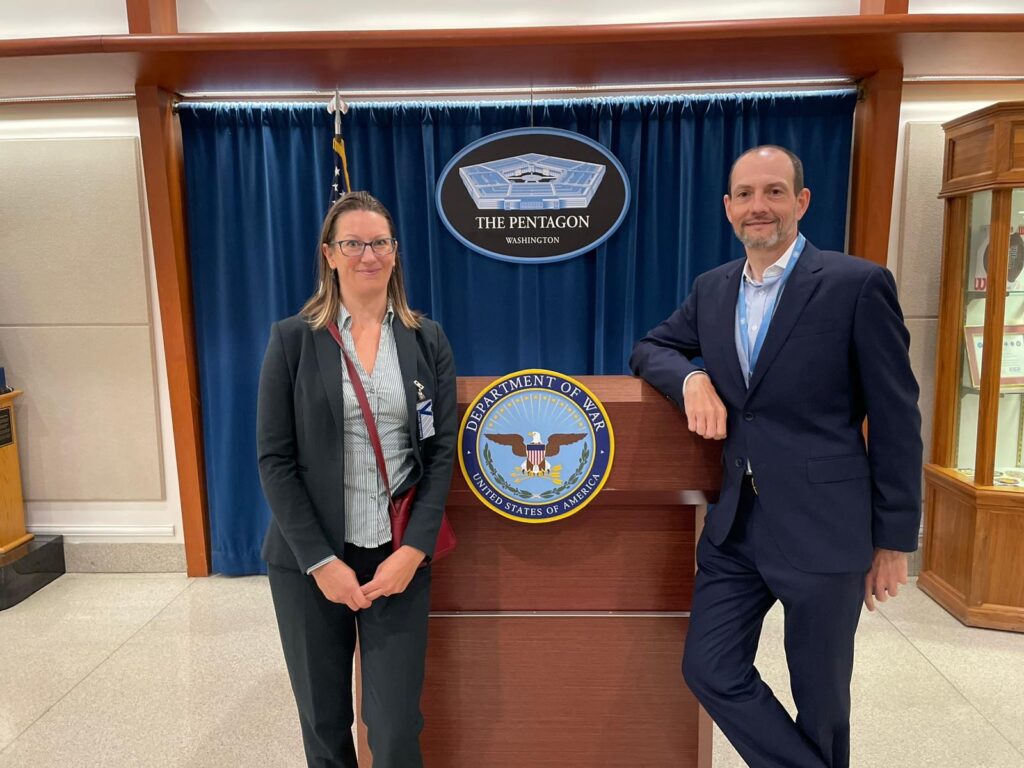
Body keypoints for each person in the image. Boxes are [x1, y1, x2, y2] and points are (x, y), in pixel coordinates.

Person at [630, 146, 922, 768]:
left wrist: (894, 540)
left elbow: (897, 416)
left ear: (801, 201)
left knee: (822, 702)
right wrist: (690, 379)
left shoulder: (855, 284)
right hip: (737, 529)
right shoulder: (712, 289)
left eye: (773, 191)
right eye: (745, 194)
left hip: (827, 527)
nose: (757, 206)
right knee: (709, 668)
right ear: (728, 207)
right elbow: (651, 347)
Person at [257, 191, 457, 768]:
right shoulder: (293, 339)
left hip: (396, 558)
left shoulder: (426, 339)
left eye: (380, 243)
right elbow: (274, 458)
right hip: (310, 562)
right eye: (353, 243)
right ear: (329, 254)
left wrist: (413, 551)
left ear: (395, 252)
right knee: (323, 722)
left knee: (395, 726)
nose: (368, 255)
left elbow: (440, 452)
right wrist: (321, 562)